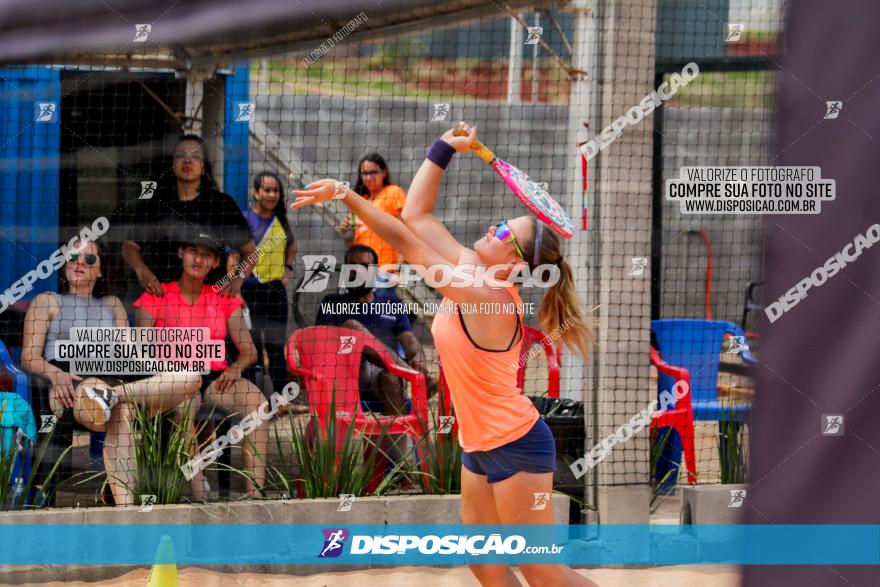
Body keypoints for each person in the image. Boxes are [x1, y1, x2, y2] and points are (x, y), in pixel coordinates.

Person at [294, 125, 597, 587]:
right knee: (486, 564)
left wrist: (347, 195)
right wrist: (444, 149)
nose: (492, 228)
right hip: (478, 445)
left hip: (516, 445)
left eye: (503, 232)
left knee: (542, 572)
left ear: (515, 265)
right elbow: (416, 215)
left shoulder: (490, 299)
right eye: (501, 221)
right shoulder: (474, 269)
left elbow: (410, 243)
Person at [21, 238, 201, 506]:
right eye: (72, 257)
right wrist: (54, 374)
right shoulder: (47, 301)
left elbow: (131, 354)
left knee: (191, 380)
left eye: (89, 259)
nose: (79, 263)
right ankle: (128, 507)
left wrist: (158, 372)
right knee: (114, 401)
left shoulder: (112, 304)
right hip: (74, 380)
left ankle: (134, 507)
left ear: (101, 270)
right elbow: (28, 357)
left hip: (116, 378)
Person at [133, 230, 269, 498]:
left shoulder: (223, 297)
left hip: (214, 378)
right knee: (185, 407)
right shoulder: (156, 294)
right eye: (193, 251)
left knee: (258, 404)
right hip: (170, 378)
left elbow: (249, 351)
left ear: (216, 263)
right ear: (181, 253)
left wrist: (235, 368)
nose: (199, 259)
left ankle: (256, 496)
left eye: (207, 255)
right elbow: (139, 350)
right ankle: (200, 496)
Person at [122, 135, 257, 297]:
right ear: (173, 164)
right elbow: (129, 246)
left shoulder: (221, 204)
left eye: (195, 156)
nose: (188, 161)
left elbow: (251, 253)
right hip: (164, 297)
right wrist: (141, 271)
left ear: (203, 166)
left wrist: (237, 280)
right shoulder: (156, 203)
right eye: (181, 155)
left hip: (210, 300)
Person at [315, 245, 426, 415]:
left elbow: (409, 339)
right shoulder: (332, 303)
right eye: (352, 266)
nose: (358, 272)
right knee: (352, 328)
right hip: (345, 377)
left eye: (365, 267)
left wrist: (418, 354)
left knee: (391, 378)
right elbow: (322, 347)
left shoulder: (392, 303)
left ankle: (395, 440)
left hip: (382, 377)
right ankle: (408, 372)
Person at [241, 172, 297, 394]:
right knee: (252, 348)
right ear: (256, 192)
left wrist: (287, 270)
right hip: (250, 292)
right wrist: (235, 290)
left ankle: (282, 400)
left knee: (276, 348)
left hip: (275, 292)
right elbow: (233, 254)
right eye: (267, 190)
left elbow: (292, 247)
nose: (272, 194)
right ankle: (254, 399)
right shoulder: (245, 219)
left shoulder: (280, 221)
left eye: (276, 190)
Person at [338, 153, 407, 268]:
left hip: (387, 269)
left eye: (373, 172)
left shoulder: (393, 192)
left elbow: (404, 231)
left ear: (384, 173)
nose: (368, 178)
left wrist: (400, 265)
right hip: (363, 270)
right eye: (365, 173)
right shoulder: (360, 201)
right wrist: (345, 232)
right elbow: (352, 244)